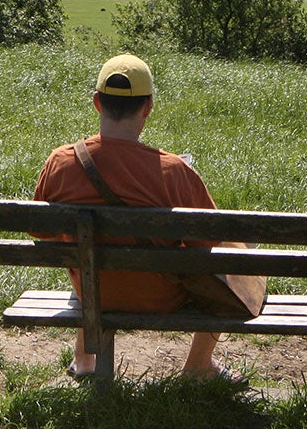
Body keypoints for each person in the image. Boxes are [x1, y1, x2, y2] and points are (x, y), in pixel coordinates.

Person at [32, 53, 235, 381]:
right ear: (148, 107)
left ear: (97, 103)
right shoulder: (174, 171)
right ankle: (198, 367)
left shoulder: (61, 162)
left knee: (88, 255)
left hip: (93, 292)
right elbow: (209, 242)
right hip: (160, 297)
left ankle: (85, 361)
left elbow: (38, 230)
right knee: (233, 256)